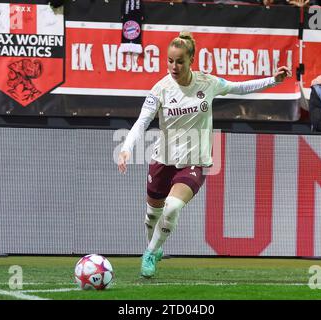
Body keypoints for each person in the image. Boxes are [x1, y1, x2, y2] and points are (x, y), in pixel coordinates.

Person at [117, 31, 291, 278]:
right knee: (151, 216)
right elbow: (142, 122)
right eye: (169, 60)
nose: (174, 66)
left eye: (179, 61)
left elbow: (239, 88)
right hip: (163, 160)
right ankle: (154, 247)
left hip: (194, 160)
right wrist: (126, 149)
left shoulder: (208, 83)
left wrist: (273, 80)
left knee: (172, 207)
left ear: (191, 61)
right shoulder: (161, 89)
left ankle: (150, 252)